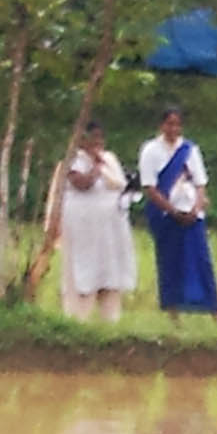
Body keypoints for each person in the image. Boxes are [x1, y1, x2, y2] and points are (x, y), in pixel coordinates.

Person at [137, 105, 217, 319]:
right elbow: (149, 187)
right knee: (170, 263)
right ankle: (173, 312)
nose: (173, 129)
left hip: (192, 215)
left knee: (201, 262)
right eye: (169, 124)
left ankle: (213, 310)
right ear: (161, 125)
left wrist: (196, 208)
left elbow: (201, 183)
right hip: (166, 216)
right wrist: (172, 211)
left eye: (177, 124)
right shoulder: (150, 150)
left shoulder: (190, 150)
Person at [54, 121, 137, 323]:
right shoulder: (73, 160)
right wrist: (97, 167)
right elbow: (82, 184)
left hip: (109, 230)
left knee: (109, 272)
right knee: (82, 270)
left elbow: (122, 185)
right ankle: (77, 317)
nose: (97, 142)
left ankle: (110, 317)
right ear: (82, 140)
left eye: (100, 137)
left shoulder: (110, 159)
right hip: (83, 229)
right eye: (93, 138)